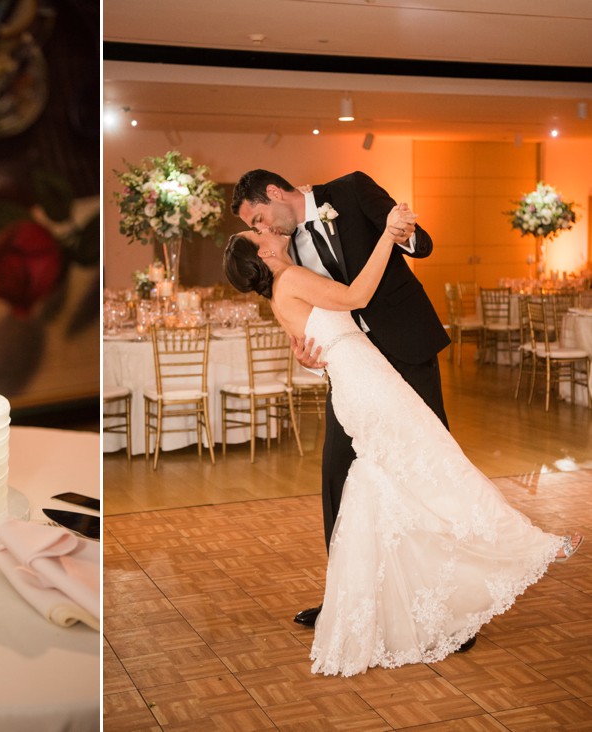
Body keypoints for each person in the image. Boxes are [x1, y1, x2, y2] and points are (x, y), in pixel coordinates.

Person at [222, 208, 583, 677]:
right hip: (369, 389)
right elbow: (356, 295)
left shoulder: (285, 288)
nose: (266, 230)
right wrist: (388, 237)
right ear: (263, 252)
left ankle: (408, 603)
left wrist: (311, 359)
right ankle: (530, 546)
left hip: (364, 384)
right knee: (439, 464)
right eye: (257, 231)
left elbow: (314, 347)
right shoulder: (290, 279)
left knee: (401, 488)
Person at [230, 170, 451, 634]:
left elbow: (422, 244)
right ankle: (345, 602)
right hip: (351, 374)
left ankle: (444, 604)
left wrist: (400, 232)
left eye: (260, 218)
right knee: (337, 476)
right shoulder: (285, 264)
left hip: (406, 350)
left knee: (430, 470)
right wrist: (311, 357)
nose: (264, 230)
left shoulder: (350, 190)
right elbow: (313, 321)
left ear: (274, 193)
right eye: (256, 228)